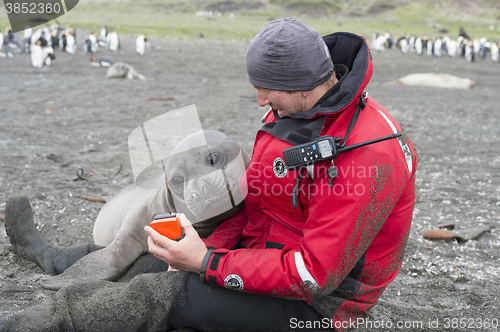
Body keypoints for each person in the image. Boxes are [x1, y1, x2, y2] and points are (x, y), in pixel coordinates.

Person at [1, 17, 417, 332]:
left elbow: (314, 275)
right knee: (154, 253)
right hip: (271, 252)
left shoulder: (368, 156)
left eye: (267, 88)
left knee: (163, 293)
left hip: (324, 306)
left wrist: (207, 262)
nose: (259, 100)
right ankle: (52, 258)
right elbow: (259, 200)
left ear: (301, 84)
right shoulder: (300, 110)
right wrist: (200, 247)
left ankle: (40, 322)